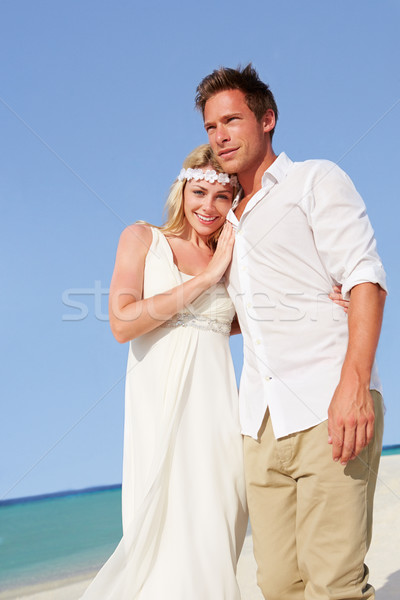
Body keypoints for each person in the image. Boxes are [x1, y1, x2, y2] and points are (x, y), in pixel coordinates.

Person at [195, 64, 387, 599]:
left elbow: (365, 277)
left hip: (329, 405)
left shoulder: (314, 180)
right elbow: (245, 310)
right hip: (259, 424)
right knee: (279, 586)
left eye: (232, 120)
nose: (220, 137)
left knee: (335, 585)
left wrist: (354, 386)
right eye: (211, 128)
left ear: (267, 119)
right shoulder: (225, 217)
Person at [80, 144, 248, 599]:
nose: (207, 207)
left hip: (216, 417)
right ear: (182, 189)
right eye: (199, 192)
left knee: (216, 534)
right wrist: (208, 277)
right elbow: (122, 322)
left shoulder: (232, 255)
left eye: (222, 196)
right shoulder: (142, 238)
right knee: (163, 539)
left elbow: (245, 321)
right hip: (159, 415)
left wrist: (325, 298)